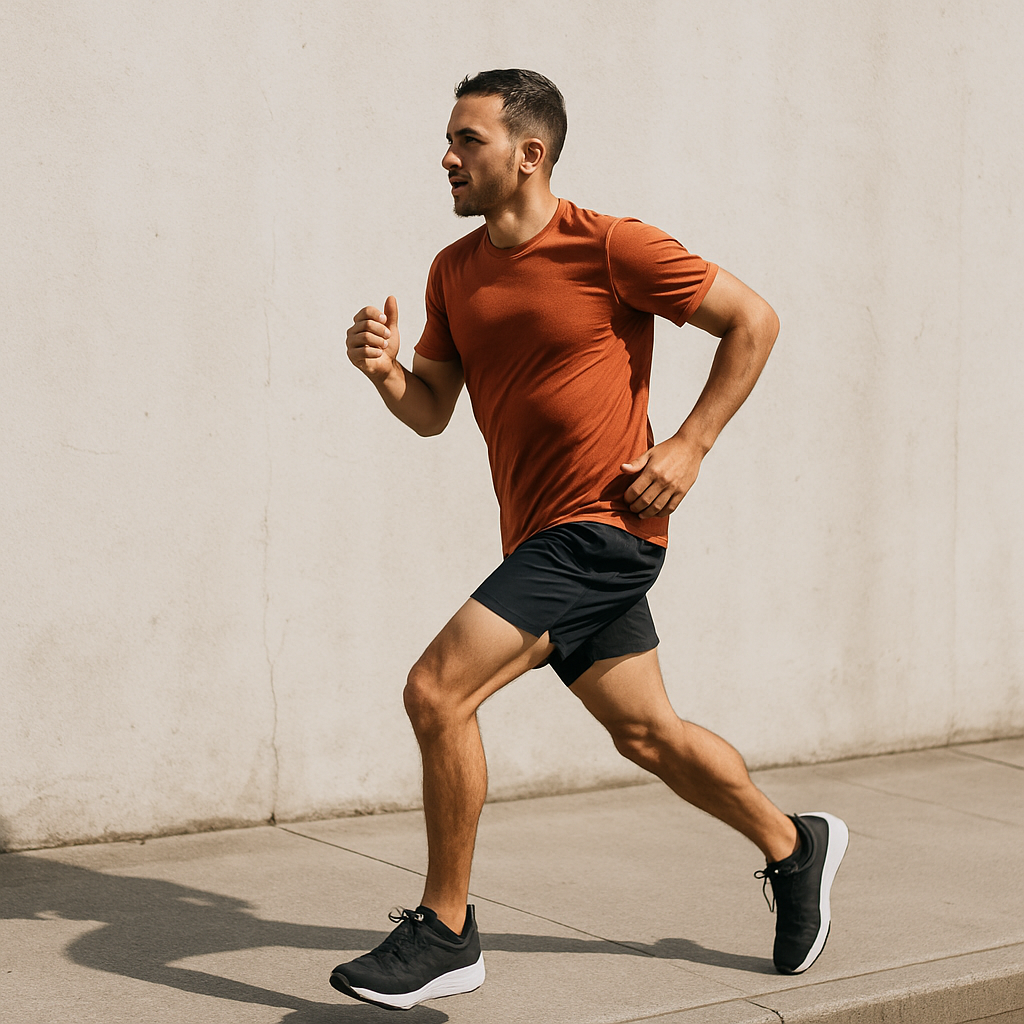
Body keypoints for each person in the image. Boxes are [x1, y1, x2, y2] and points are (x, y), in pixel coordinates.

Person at [331, 69, 847, 1011]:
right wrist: (385, 372)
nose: (447, 157)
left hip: (604, 528)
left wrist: (690, 445)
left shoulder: (612, 245)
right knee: (648, 733)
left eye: (468, 140)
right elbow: (433, 410)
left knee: (437, 691)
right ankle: (794, 844)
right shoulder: (453, 271)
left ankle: (445, 932)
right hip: (541, 536)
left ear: (530, 154)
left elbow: (753, 321)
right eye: (449, 139)